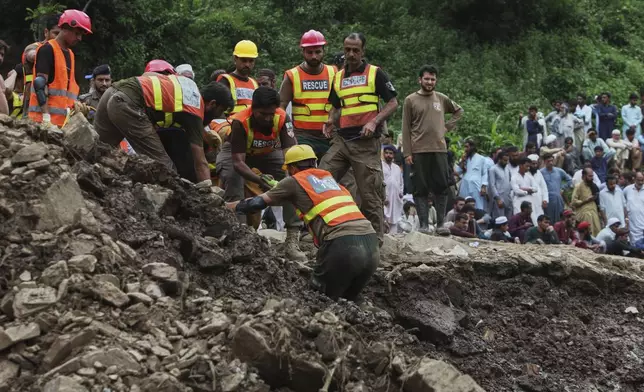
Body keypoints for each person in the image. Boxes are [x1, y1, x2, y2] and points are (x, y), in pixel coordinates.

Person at [227, 144, 378, 301]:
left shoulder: (293, 181)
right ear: (314, 163)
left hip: (344, 245)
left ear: (291, 168)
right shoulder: (333, 183)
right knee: (349, 300)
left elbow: (256, 204)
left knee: (318, 298)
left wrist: (226, 206)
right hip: (372, 247)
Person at [320, 32, 399, 241]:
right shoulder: (338, 76)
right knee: (320, 178)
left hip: (365, 144)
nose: (351, 54)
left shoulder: (375, 73)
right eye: (347, 50)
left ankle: (376, 241)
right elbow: (336, 107)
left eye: (355, 50)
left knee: (370, 194)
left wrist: (374, 121)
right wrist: (330, 120)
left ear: (363, 51)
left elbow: (393, 103)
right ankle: (320, 230)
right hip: (342, 140)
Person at [95, 69, 232, 184]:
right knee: (164, 169)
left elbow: (148, 76)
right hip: (127, 104)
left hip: (113, 92)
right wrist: (210, 193)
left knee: (96, 152)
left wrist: (205, 136)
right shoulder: (195, 110)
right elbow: (200, 163)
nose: (217, 116)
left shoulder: (188, 86)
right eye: (220, 111)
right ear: (212, 104)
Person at [218, 87, 306, 260]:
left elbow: (291, 155)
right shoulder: (240, 121)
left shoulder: (281, 118)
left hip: (267, 151)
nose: (267, 118)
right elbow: (238, 163)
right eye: (262, 114)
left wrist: (293, 176)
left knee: (293, 181)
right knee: (232, 178)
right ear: (253, 109)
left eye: (270, 114)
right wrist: (260, 180)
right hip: (237, 153)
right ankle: (239, 234)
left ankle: (292, 239)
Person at [402, 64, 462, 230]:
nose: (429, 82)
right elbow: (406, 127)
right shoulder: (410, 100)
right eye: (426, 78)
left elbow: (458, 111)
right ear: (420, 79)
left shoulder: (441, 98)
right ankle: (423, 225)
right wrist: (407, 152)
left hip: (439, 149)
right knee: (420, 188)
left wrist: (447, 127)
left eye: (433, 79)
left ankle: (441, 224)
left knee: (441, 186)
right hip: (418, 150)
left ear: (436, 81)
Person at [27, 10, 92, 128]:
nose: (80, 38)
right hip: (42, 124)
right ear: (65, 28)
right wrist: (46, 118)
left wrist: (74, 104)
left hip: (62, 125)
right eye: (77, 33)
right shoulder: (47, 50)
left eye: (81, 34)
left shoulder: (70, 55)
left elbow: (65, 91)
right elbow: (40, 85)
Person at [280, 30, 336, 160]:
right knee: (305, 173)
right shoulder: (292, 75)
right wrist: (287, 132)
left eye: (317, 52)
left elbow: (340, 103)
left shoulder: (334, 72)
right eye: (309, 52)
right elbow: (281, 107)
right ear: (303, 52)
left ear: (323, 51)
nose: (314, 56)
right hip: (302, 136)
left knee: (331, 175)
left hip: (329, 136)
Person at [21, 13, 61, 117]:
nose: (59, 38)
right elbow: (31, 55)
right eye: (56, 33)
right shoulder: (35, 48)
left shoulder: (64, 53)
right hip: (33, 105)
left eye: (62, 34)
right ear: (46, 32)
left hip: (54, 107)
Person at [217, 40, 259, 116]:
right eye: (244, 60)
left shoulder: (254, 83)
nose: (247, 64)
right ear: (235, 59)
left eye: (251, 61)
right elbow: (217, 109)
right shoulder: (225, 80)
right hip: (229, 125)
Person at [456, 140, 488, 210]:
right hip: (465, 185)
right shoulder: (464, 158)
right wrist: (462, 161)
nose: (465, 149)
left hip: (476, 186)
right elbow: (458, 172)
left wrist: (484, 186)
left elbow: (485, 173)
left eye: (467, 147)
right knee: (464, 204)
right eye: (465, 147)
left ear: (472, 147)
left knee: (477, 205)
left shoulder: (481, 159)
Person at [540, 153, 573, 223]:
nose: (551, 163)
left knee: (560, 218)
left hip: (558, 198)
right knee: (548, 219)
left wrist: (563, 188)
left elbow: (570, 180)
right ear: (544, 162)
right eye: (548, 161)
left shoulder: (559, 171)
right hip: (547, 199)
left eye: (552, 161)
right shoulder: (540, 172)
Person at [571, 167, 602, 236]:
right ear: (584, 176)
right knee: (587, 232)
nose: (592, 178)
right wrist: (585, 200)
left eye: (592, 176)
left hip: (594, 212)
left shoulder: (593, 186)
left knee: (597, 232)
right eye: (590, 176)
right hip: (584, 214)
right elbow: (573, 202)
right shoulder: (578, 186)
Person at [382, 145, 403, 234]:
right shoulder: (380, 166)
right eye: (386, 153)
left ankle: (393, 236)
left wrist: (401, 192)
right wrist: (383, 197)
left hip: (395, 197)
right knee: (384, 216)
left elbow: (401, 182)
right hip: (385, 196)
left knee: (394, 216)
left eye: (390, 153)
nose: (388, 155)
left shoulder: (397, 168)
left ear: (394, 155)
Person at [511, 157, 538, 223]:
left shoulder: (529, 176)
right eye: (526, 166)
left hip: (529, 201)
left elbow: (536, 188)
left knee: (533, 220)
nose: (528, 168)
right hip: (519, 201)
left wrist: (524, 189)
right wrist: (527, 191)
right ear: (520, 165)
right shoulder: (514, 177)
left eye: (529, 166)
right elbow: (516, 191)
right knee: (519, 220)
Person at [488, 150, 513, 220]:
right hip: (499, 197)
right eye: (505, 160)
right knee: (499, 220)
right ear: (499, 159)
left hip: (508, 197)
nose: (507, 162)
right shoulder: (493, 169)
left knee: (509, 219)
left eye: (507, 160)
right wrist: (498, 199)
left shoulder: (507, 168)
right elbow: (492, 185)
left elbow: (509, 181)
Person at [624, 172, 644, 246]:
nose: (640, 182)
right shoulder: (627, 190)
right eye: (638, 180)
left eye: (642, 180)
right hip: (631, 223)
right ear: (634, 179)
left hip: (642, 224)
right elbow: (623, 204)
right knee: (633, 245)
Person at [527, 154, 549, 223]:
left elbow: (544, 187)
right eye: (533, 164)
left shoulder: (538, 173)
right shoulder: (525, 173)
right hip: (530, 202)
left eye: (536, 164)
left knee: (541, 220)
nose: (535, 166)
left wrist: (545, 199)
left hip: (539, 202)